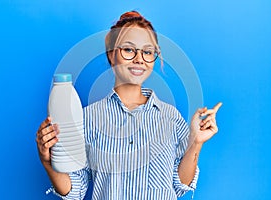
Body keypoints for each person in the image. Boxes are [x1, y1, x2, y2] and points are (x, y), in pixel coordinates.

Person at [36, 11, 222, 200]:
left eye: (148, 52)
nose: (139, 59)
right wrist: (47, 162)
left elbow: (179, 184)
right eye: (128, 49)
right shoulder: (87, 118)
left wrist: (196, 143)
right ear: (111, 55)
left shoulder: (170, 116)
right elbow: (75, 190)